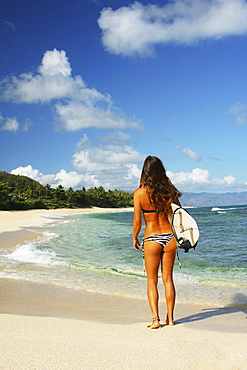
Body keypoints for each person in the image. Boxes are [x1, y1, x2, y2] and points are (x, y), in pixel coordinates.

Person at [132, 156, 181, 329]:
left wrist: (134, 237)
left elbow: (138, 221)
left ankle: (155, 320)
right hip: (170, 238)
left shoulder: (139, 193)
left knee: (152, 280)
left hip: (151, 238)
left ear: (145, 171)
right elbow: (179, 215)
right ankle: (171, 319)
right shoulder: (170, 191)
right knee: (168, 279)